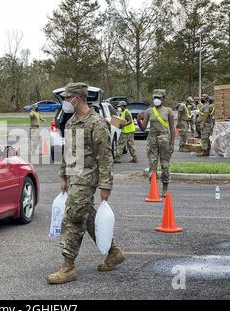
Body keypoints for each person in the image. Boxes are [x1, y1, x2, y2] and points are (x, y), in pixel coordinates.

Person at [46, 83, 125, 285]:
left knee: (72, 217)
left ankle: (68, 267)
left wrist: (106, 185)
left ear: (77, 98)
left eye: (66, 98)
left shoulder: (96, 123)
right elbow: (68, 152)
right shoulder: (72, 122)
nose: (64, 102)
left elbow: (105, 157)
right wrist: (63, 175)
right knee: (88, 216)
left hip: (87, 178)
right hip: (74, 176)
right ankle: (113, 252)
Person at [137, 89, 175, 198]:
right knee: (152, 164)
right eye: (155, 98)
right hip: (152, 138)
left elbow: (172, 128)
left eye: (159, 98)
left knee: (165, 164)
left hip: (164, 138)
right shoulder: (149, 111)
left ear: (163, 98)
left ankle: (164, 188)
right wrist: (139, 120)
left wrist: (172, 144)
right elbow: (143, 128)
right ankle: (153, 188)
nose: (157, 100)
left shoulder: (168, 111)